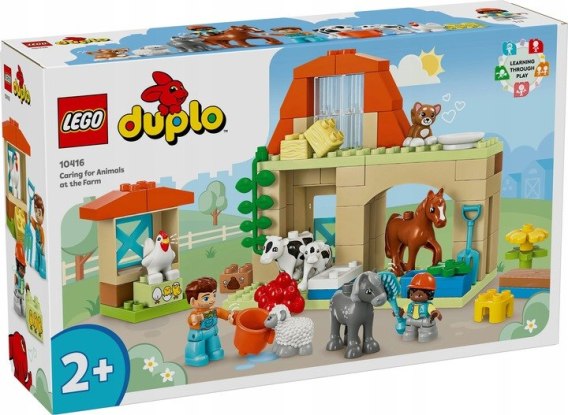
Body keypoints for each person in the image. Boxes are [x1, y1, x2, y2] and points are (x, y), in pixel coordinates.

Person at [184, 277, 235, 367]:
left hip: (212, 331)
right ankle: (196, 356)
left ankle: (214, 351)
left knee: (214, 341)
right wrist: (195, 319)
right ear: (193, 301)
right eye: (206, 298)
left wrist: (229, 316)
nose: (212, 300)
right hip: (199, 334)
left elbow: (221, 312)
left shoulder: (213, 310)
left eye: (214, 295)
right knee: (197, 344)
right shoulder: (195, 314)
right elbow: (192, 320)